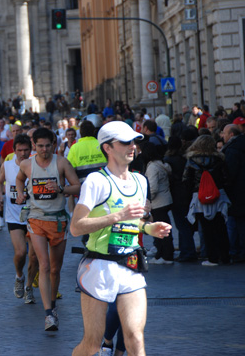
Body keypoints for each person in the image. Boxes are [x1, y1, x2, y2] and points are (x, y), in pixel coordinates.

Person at [70, 121, 172, 356]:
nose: (132, 147)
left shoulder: (140, 181)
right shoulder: (97, 181)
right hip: (99, 267)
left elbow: (135, 223)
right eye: (125, 142)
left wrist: (149, 228)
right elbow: (76, 227)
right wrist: (118, 215)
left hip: (130, 265)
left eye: (134, 141)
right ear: (107, 147)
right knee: (93, 344)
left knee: (135, 338)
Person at [15, 127, 81, 331]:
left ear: (54, 144)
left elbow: (77, 186)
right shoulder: (27, 164)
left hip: (58, 220)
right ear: (34, 145)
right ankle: (49, 314)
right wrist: (20, 194)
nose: (44, 150)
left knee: (55, 268)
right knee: (43, 265)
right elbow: (19, 179)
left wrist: (61, 189)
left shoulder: (61, 162)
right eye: (40, 146)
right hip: (36, 218)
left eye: (48, 146)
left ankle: (52, 303)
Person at [0, 134, 39, 304]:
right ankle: (19, 276)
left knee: (34, 257)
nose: (23, 153)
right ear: (14, 151)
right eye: (19, 150)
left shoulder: (36, 164)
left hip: (34, 215)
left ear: (31, 149)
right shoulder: (7, 165)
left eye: (26, 150)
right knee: (21, 253)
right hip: (14, 216)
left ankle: (28, 287)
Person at [183, 135, 231, 266]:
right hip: (218, 195)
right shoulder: (219, 159)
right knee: (221, 227)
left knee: (206, 229)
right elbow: (226, 178)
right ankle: (225, 256)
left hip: (199, 197)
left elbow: (186, 180)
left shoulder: (191, 160)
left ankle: (212, 257)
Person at [142, 142, 175, 264]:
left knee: (160, 230)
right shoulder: (161, 164)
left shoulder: (152, 168)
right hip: (166, 200)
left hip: (158, 203)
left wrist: (147, 200)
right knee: (165, 229)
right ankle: (166, 254)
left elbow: (152, 188)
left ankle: (164, 256)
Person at [221, 124, 245, 262]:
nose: (221, 136)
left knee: (238, 224)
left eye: (224, 133)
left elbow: (230, 173)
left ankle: (238, 252)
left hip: (237, 192)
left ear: (231, 135)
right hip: (240, 191)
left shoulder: (232, 150)